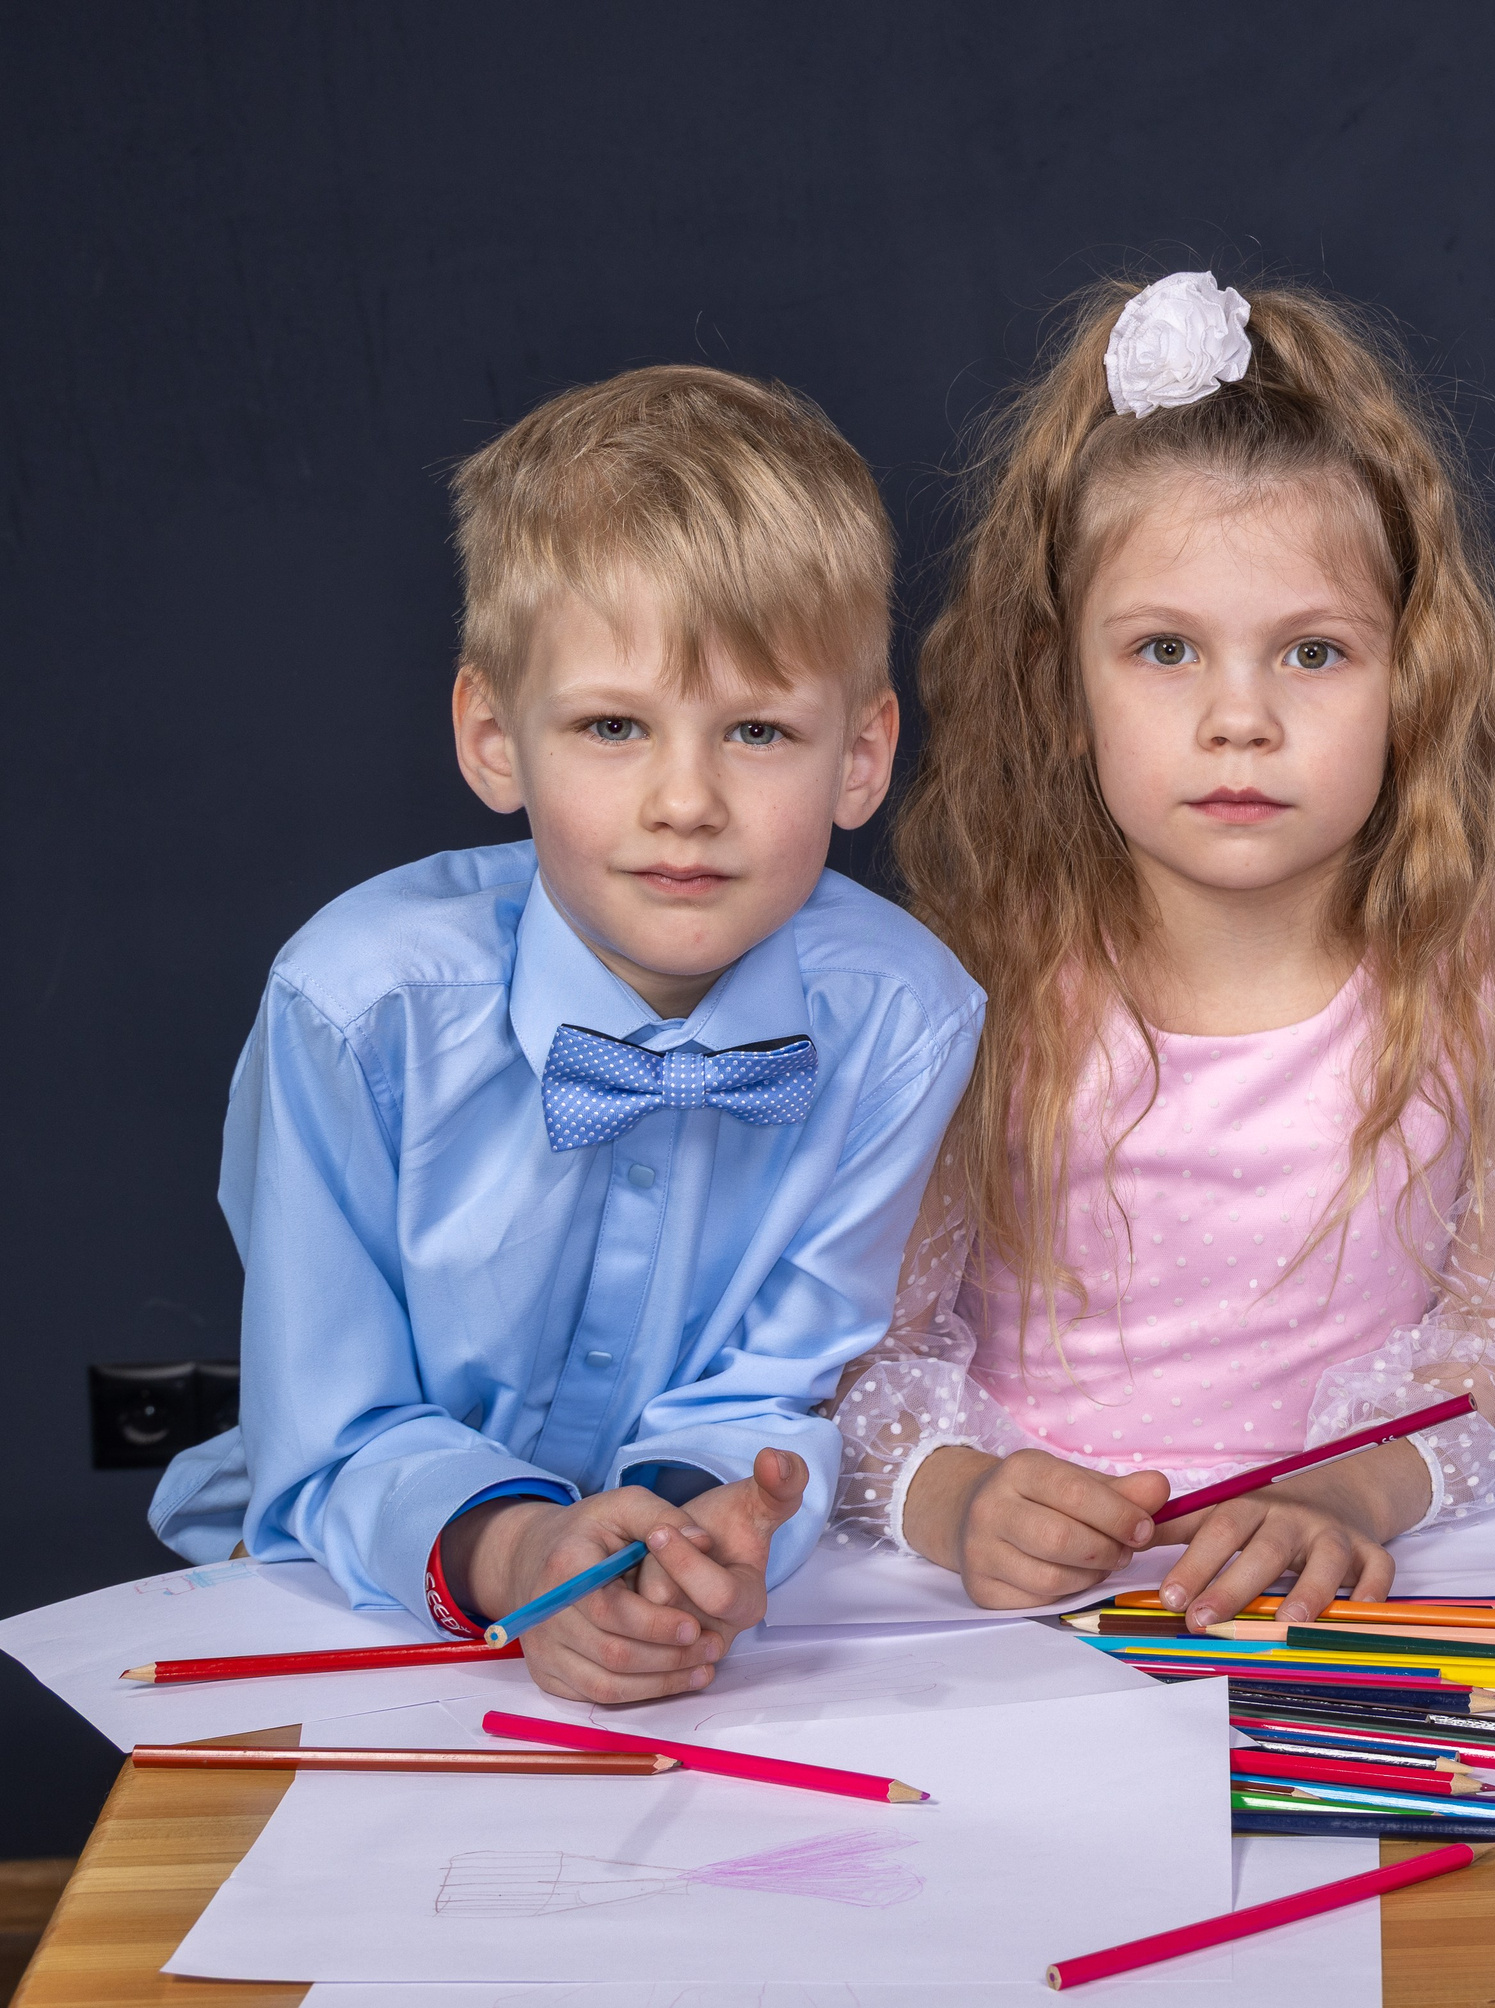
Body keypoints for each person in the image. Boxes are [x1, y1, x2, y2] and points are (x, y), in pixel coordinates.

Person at [148, 367, 983, 1701]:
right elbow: (329, 1424)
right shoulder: (354, 1008)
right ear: (494, 737)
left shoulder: (902, 1020)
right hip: (356, 1591)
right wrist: (523, 1548)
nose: (686, 801)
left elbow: (781, 1380)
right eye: (612, 727)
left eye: (759, 731)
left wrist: (683, 1525)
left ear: (862, 757)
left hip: (690, 1621)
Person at [828, 272, 1495, 1629]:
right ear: (1061, 685)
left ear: (1411, 676)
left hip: (1371, 1588)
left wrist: (1346, 1499)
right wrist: (963, 1500)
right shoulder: (962, 971)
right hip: (1019, 1614)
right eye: (1164, 651)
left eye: (1312, 654)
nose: (1239, 718)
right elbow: (868, 1361)